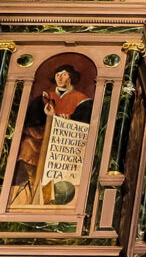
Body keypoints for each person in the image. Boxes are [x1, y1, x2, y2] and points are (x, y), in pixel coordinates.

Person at [12, 64, 92, 205]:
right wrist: (48, 115)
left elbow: (85, 123)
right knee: (27, 146)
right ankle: (32, 187)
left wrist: (69, 120)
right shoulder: (45, 97)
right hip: (43, 136)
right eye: (57, 75)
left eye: (64, 74)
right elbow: (33, 120)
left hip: (67, 140)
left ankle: (51, 197)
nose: (60, 78)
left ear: (71, 77)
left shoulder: (81, 99)